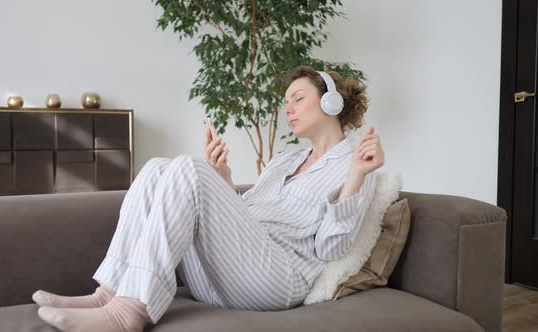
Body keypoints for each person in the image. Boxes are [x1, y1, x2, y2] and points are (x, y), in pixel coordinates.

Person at [32, 65, 385, 332]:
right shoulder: (284, 160)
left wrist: (355, 176)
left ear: (331, 102)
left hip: (278, 281)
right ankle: (109, 293)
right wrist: (224, 180)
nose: (288, 109)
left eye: (298, 99)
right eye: (285, 103)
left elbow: (330, 250)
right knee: (157, 168)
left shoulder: (354, 167)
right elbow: (246, 219)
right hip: (228, 278)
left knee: (188, 167)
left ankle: (129, 312)